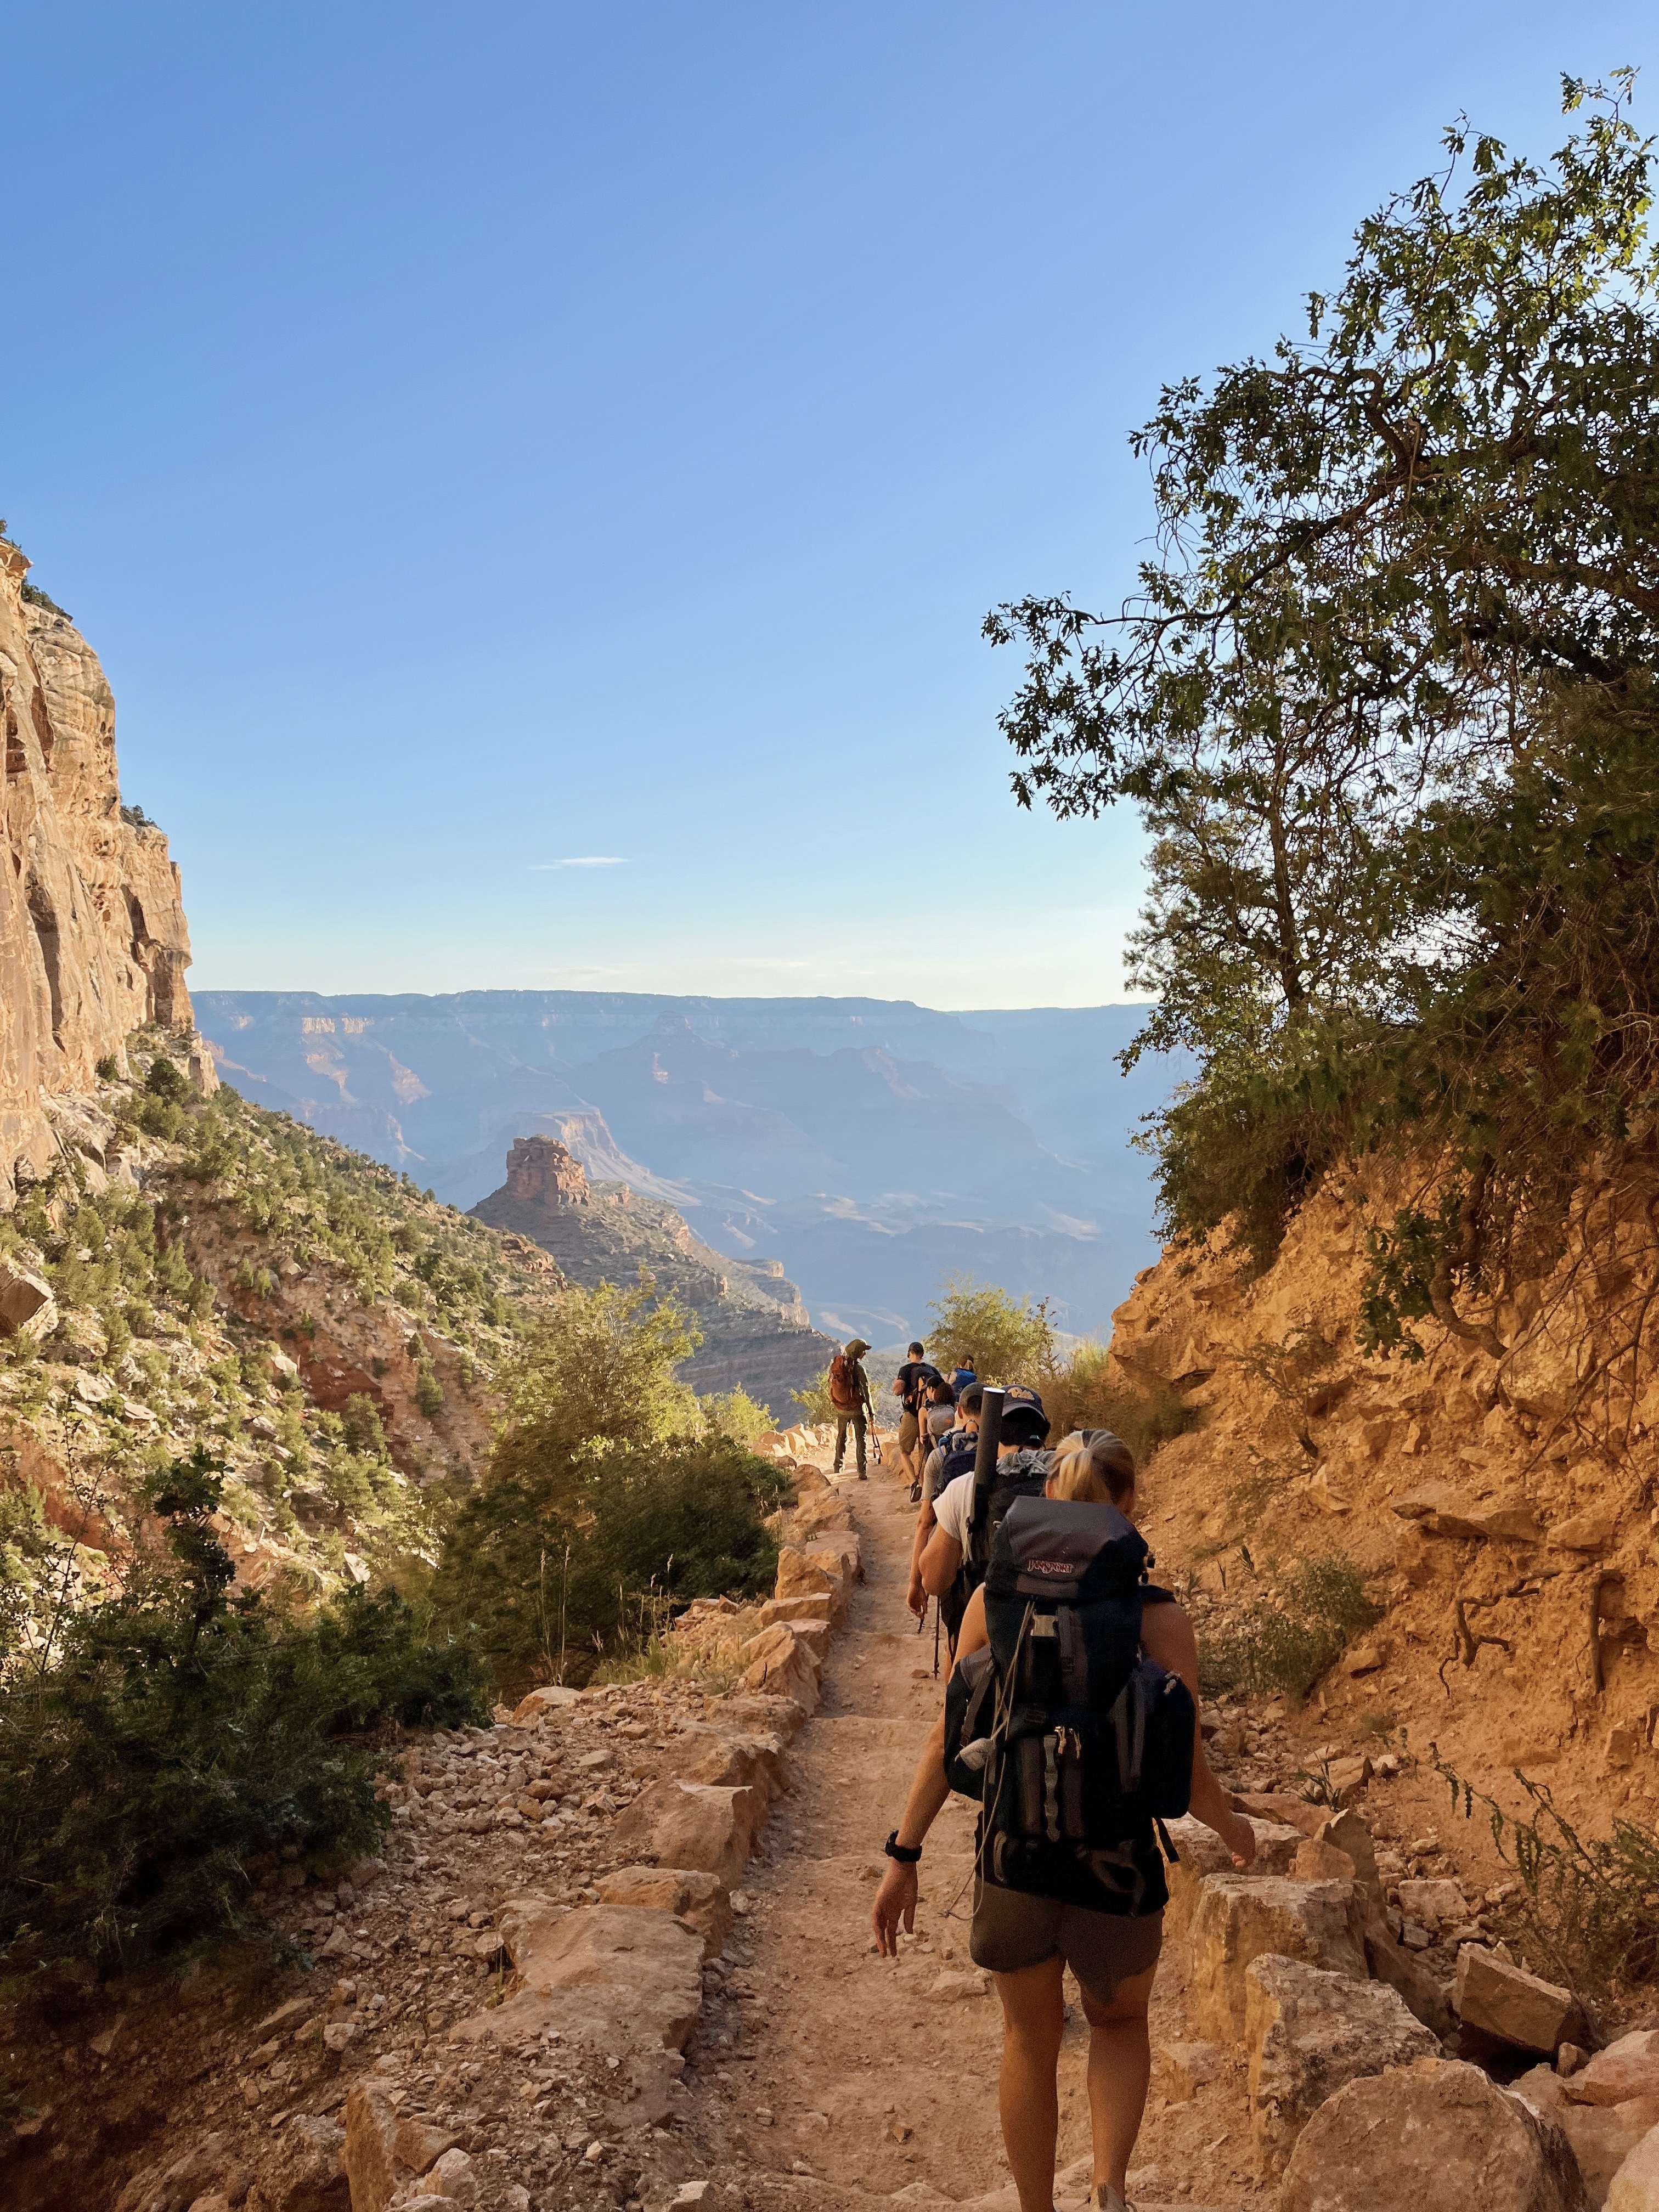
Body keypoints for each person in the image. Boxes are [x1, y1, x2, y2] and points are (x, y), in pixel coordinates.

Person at [872, 1432, 1257, 2212]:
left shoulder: (991, 1602)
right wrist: (1236, 1832)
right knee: (1117, 2026)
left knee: (1028, 2041)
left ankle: (1038, 2210)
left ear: (1048, 1498)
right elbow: (1188, 1773)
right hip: (1117, 1864)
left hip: (1016, 1856)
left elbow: (948, 1741)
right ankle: (1109, 2184)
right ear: (1129, 1505)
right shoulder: (1162, 1619)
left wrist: (902, 1854)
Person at [918, 1381, 1053, 1650]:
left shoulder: (965, 1488)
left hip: (988, 1634)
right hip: (1052, 1634)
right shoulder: (1067, 1486)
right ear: (1042, 1435)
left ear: (990, 1433)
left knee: (957, 1659)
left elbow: (933, 1581)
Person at [907, 1382, 980, 1618]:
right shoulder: (1009, 1455)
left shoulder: (942, 1454)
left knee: (956, 1645)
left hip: (953, 1561)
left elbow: (925, 1523)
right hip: (991, 1563)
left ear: (959, 1411)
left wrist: (915, 1584)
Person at [891, 1340, 943, 1487]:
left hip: (913, 1415)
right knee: (924, 1452)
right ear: (922, 1354)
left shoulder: (906, 1370)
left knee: (904, 1451)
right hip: (932, 1415)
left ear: (909, 1354)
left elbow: (897, 1391)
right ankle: (927, 1484)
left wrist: (896, 1382)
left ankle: (915, 1484)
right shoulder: (932, 1370)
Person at [828, 1337, 875, 1478]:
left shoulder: (838, 1366)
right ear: (858, 1352)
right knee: (861, 1439)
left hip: (841, 1409)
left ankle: (838, 1466)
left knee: (841, 1437)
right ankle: (862, 1471)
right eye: (863, 1351)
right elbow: (866, 1391)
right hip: (857, 1409)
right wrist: (871, 1412)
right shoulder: (859, 1369)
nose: (864, 1354)